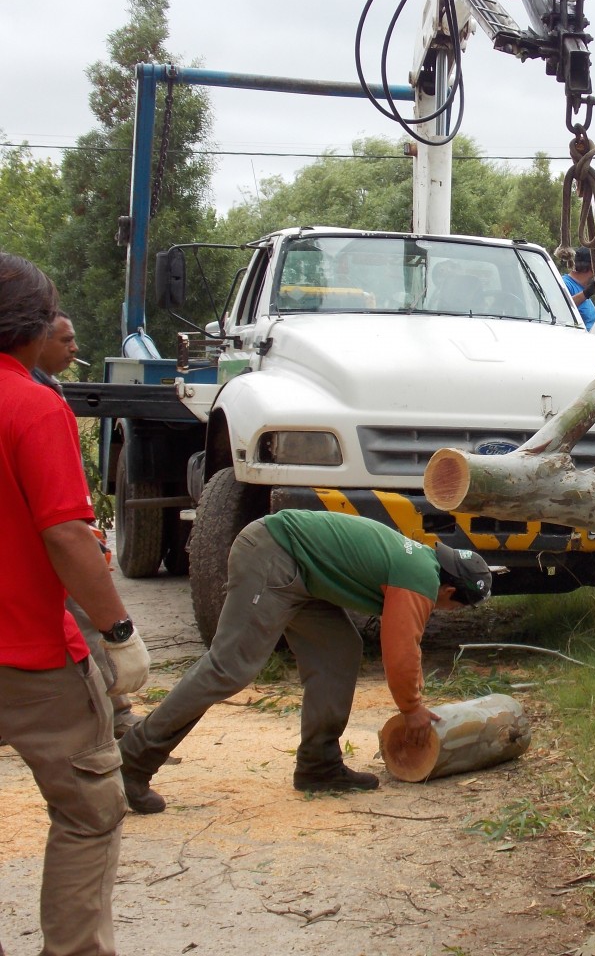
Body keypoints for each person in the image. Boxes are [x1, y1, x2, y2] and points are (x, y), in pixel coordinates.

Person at [119, 510, 493, 814]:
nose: (446, 611)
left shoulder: (419, 561)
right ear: (450, 591)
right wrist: (411, 707)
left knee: (338, 651)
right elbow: (401, 650)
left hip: (303, 573)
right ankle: (133, 759)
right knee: (229, 667)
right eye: (455, 607)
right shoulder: (420, 578)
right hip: (273, 553)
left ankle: (319, 764)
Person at [0, 252, 130, 956]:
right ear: (31, 325)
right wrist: (118, 630)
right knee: (88, 811)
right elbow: (66, 535)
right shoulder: (33, 405)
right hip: (30, 658)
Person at [30, 312, 143, 739]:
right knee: (86, 618)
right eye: (66, 340)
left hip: (56, 529)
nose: (74, 348)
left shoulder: (45, 388)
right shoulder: (33, 397)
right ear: (36, 341)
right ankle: (116, 715)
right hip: (52, 535)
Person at [563, 246, 595, 332]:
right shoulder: (564, 284)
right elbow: (560, 308)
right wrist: (587, 293)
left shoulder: (583, 288)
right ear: (593, 266)